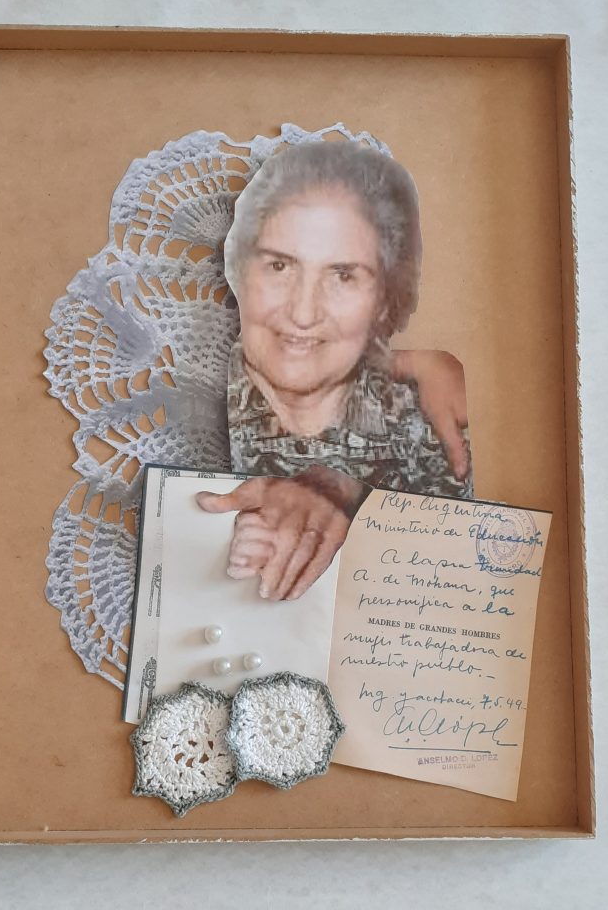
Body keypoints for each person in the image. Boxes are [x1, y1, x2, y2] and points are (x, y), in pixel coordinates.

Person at [197, 140, 472, 600]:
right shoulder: (175, 402)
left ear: (384, 299)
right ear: (237, 272)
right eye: (279, 265)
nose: (303, 313)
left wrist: (346, 493)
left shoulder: (438, 433)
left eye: (343, 275)